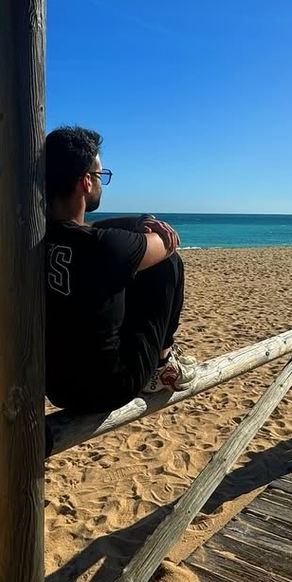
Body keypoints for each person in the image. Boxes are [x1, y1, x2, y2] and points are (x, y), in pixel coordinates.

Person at [43, 125, 197, 413]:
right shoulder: (105, 248)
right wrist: (147, 224)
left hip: (56, 385)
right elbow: (166, 243)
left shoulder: (37, 236)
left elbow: (87, 229)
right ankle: (162, 365)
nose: (102, 182)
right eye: (101, 176)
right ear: (86, 182)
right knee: (167, 265)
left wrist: (138, 221)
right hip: (108, 389)